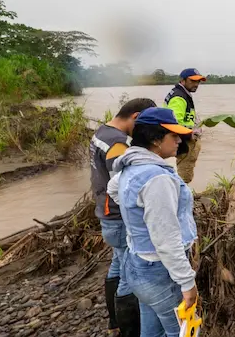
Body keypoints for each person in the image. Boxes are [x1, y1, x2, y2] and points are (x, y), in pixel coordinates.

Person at [107, 107, 199, 337]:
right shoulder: (157, 178)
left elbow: (113, 189)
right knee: (182, 331)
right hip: (160, 271)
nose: (179, 140)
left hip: (137, 263)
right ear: (155, 139)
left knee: (151, 330)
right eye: (173, 136)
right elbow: (166, 240)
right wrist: (187, 283)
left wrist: (138, 221)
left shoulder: (131, 164)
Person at [90, 97, 156, 336]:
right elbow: (124, 184)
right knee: (130, 275)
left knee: (118, 265)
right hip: (118, 217)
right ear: (136, 117)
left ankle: (115, 322)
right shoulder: (117, 143)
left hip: (106, 214)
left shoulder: (102, 131)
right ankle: (130, 330)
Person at [164, 68, 206, 184]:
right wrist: (189, 135)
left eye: (198, 81)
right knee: (184, 176)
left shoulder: (182, 93)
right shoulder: (179, 97)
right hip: (184, 141)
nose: (196, 84)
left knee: (184, 173)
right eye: (193, 81)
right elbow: (174, 122)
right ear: (183, 80)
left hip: (184, 139)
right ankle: (181, 197)